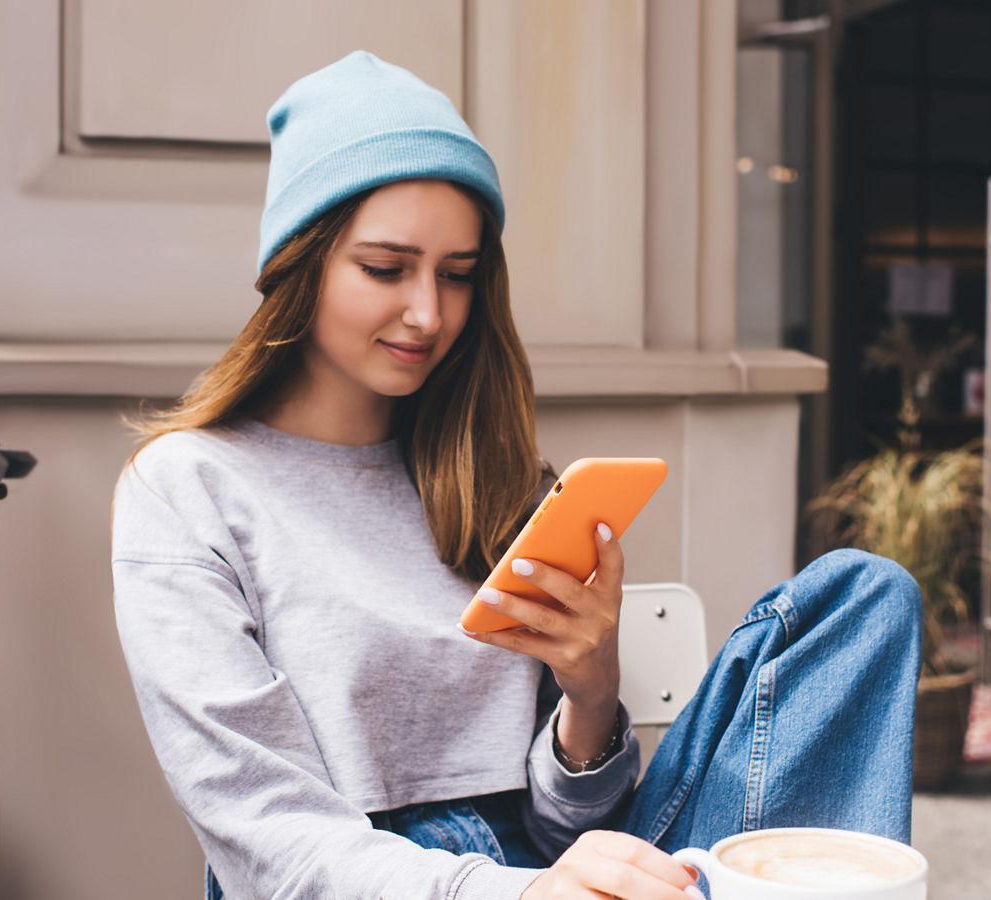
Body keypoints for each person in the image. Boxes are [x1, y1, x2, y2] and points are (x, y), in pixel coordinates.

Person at [110, 51, 921, 900]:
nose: (428, 313)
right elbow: (266, 839)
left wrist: (591, 693)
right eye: (385, 269)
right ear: (300, 268)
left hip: (552, 873)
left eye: (458, 275)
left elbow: (569, 829)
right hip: (371, 881)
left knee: (864, 599)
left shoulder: (494, 480)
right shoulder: (187, 489)